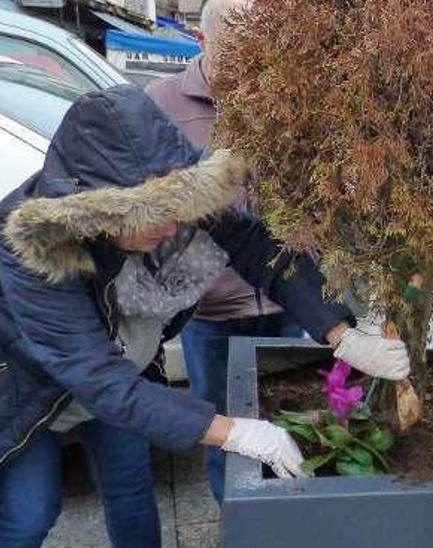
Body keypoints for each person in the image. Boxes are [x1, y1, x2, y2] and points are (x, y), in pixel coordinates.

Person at [0, 85, 409, 548]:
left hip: (114, 364)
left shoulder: (171, 196)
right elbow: (96, 377)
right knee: (31, 511)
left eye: (173, 209)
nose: (169, 228)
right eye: (146, 217)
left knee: (128, 483)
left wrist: (340, 333)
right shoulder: (31, 250)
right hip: (13, 385)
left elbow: (259, 249)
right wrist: (236, 432)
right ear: (94, 211)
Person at [144, 0, 294, 503]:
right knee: (222, 432)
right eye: (238, 52)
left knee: (299, 421)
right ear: (202, 41)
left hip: (290, 299)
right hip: (210, 311)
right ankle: (237, 524)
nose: (252, 67)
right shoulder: (160, 103)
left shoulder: (285, 97)